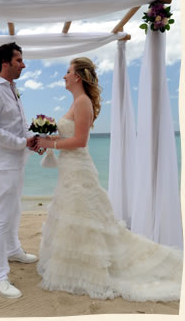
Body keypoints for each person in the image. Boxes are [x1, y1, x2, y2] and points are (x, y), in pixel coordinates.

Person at [34, 57, 183, 301]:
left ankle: (91, 271)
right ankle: (79, 268)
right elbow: (68, 139)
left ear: (77, 77)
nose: (64, 76)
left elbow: (80, 141)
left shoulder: (83, 103)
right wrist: (44, 140)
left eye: (67, 72)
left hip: (80, 171)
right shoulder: (76, 102)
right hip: (69, 171)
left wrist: (51, 142)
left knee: (85, 219)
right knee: (73, 219)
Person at [0, 42, 39, 299]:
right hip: (2, 164)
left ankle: (13, 250)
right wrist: (21, 143)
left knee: (14, 210)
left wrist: (34, 140)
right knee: (0, 219)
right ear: (5, 62)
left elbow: (19, 125)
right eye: (19, 60)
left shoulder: (12, 89)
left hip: (17, 161)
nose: (23, 65)